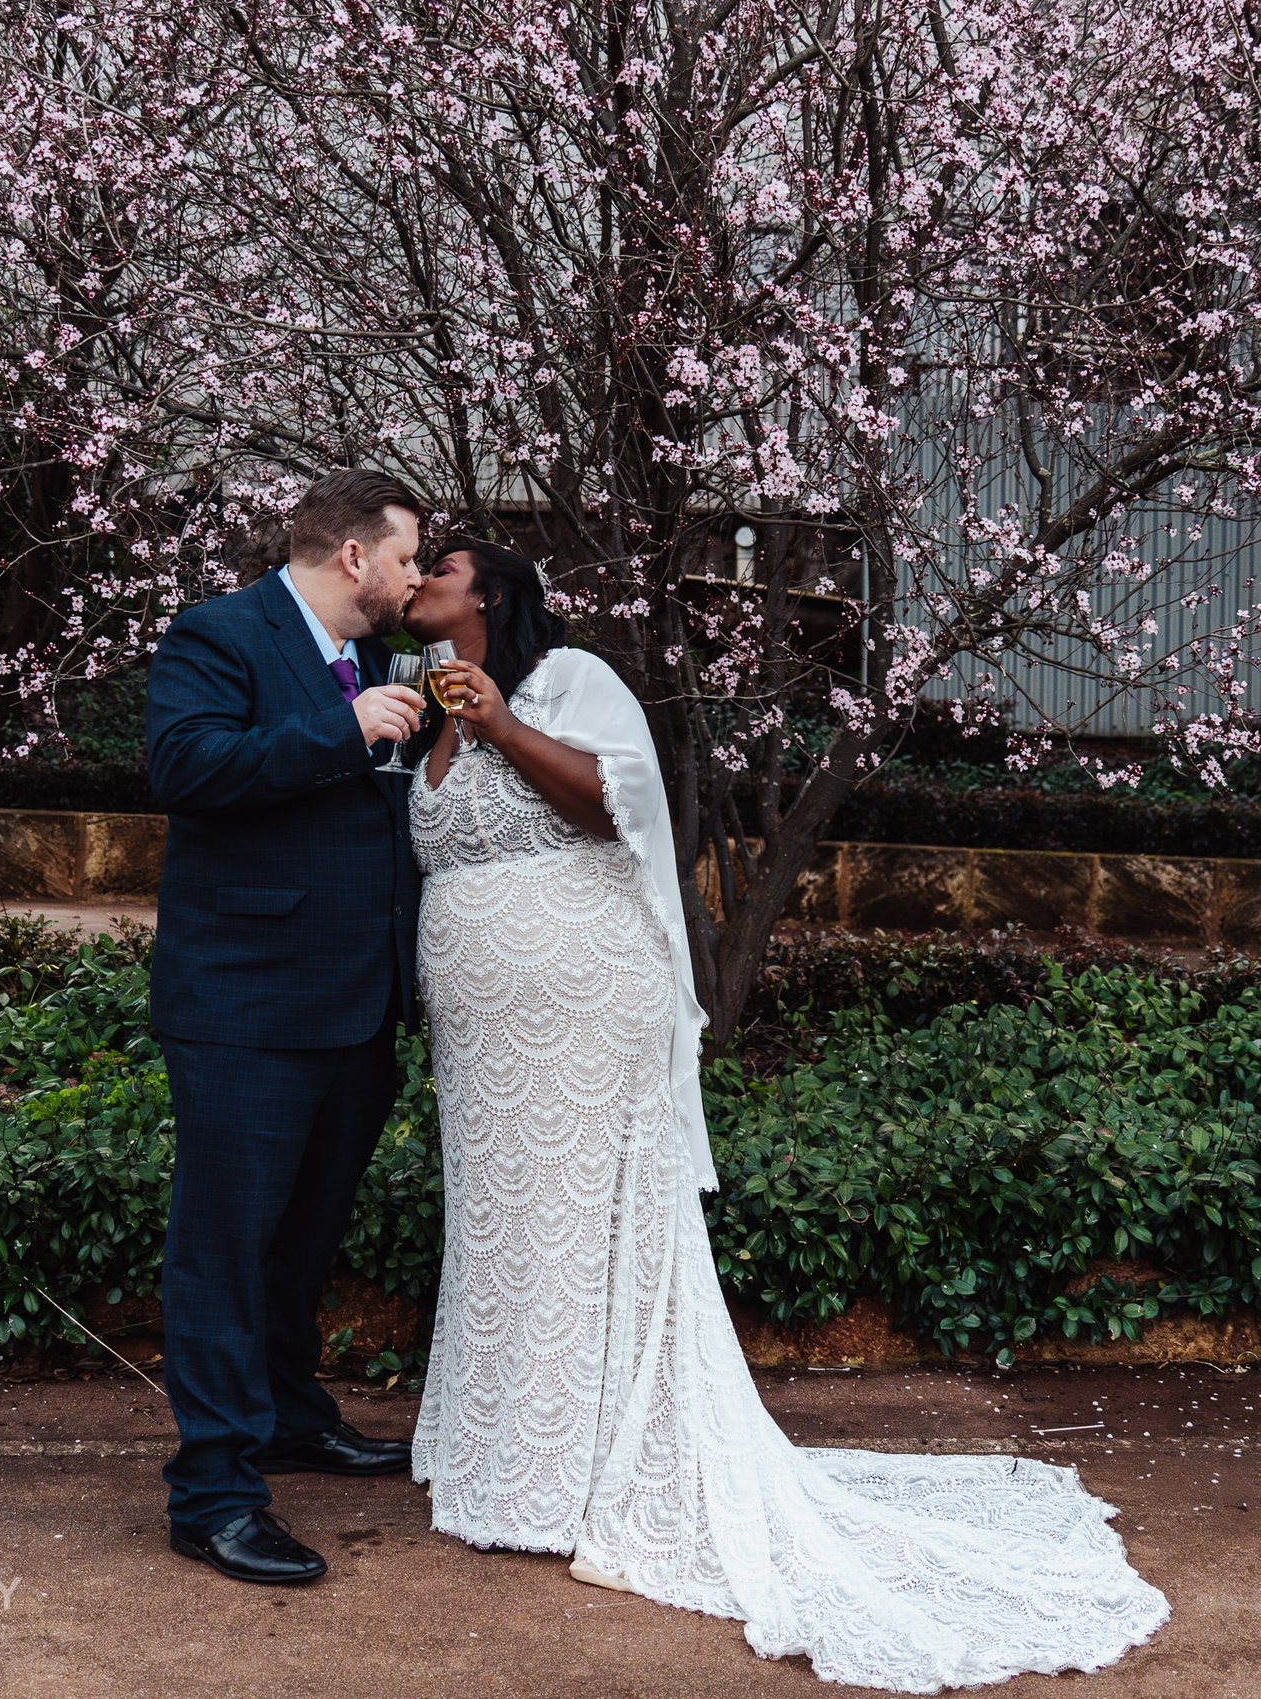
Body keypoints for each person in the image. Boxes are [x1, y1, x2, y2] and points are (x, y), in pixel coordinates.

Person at [401, 537, 1169, 1690]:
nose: (417, 582)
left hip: (585, 1004)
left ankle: (579, 1476)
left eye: (440, 568)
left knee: (575, 1225)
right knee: (507, 1232)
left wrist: (505, 723)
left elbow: (619, 809)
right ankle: (503, 1458)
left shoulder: (568, 677)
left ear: (493, 596)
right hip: (484, 1031)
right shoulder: (423, 710)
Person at [144, 468, 430, 1586]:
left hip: (356, 1006)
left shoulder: (374, 655)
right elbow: (182, 766)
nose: (413, 577)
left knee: (303, 1239)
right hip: (246, 1006)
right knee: (223, 1249)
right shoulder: (217, 634)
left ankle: (291, 1416)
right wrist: (339, 727)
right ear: (354, 555)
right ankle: (213, 1493)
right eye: (406, 556)